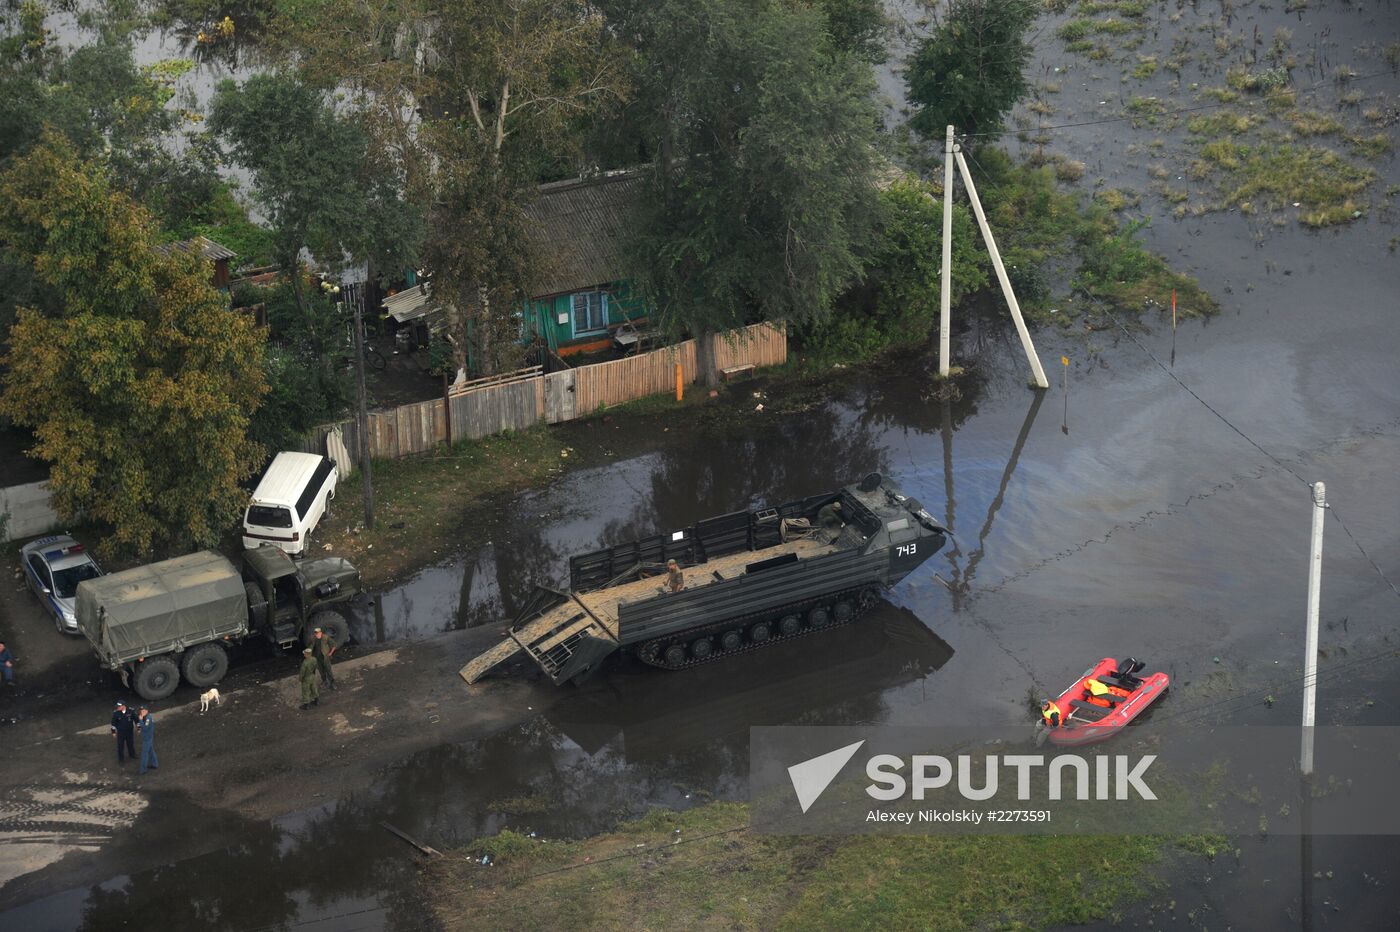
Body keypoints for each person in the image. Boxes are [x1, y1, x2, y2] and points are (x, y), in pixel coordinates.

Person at [136, 706, 158, 774]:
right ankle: (155, 764)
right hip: (148, 737)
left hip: (147, 738)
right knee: (151, 751)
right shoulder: (147, 716)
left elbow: (145, 728)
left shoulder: (148, 718)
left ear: (147, 711)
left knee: (144, 754)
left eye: (143, 711)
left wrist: (140, 720)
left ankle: (143, 770)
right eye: (141, 711)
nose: (141, 713)